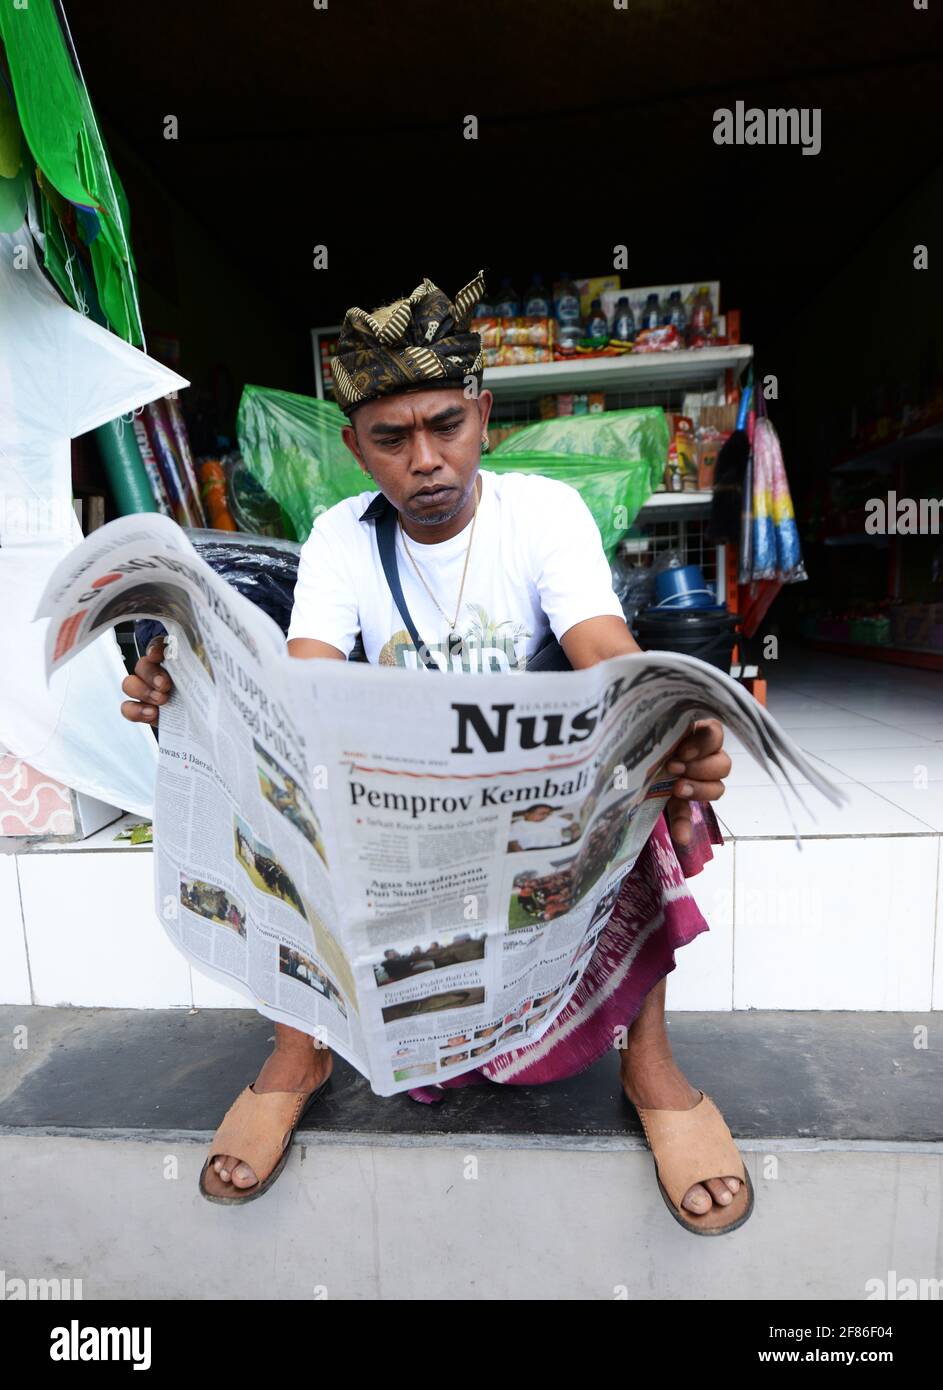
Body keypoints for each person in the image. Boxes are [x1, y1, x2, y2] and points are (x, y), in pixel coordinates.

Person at [120, 272, 749, 1233]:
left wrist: (671, 726)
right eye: (390, 437)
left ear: (483, 417)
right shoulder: (340, 537)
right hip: (413, 823)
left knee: (647, 769)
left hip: (533, 822)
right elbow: (299, 690)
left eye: (445, 425)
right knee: (281, 798)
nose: (424, 461)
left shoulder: (541, 517)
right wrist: (195, 692)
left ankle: (649, 1063)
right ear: (354, 447)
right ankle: (302, 1048)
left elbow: (605, 654)